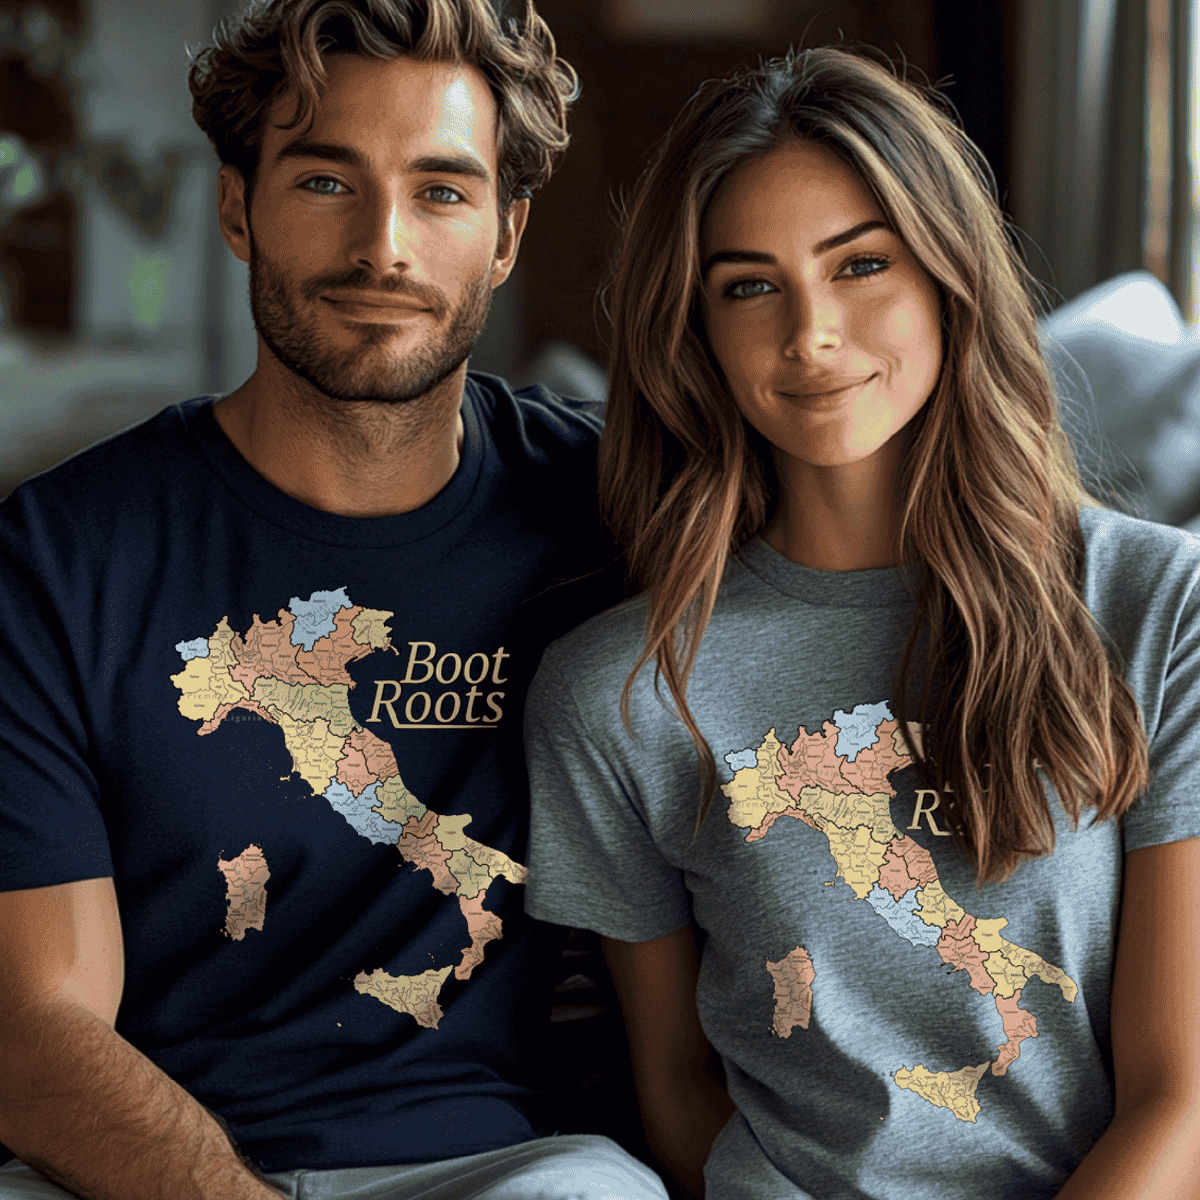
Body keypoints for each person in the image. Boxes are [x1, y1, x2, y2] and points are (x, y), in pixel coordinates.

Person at [0, 2, 668, 1198]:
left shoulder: (621, 516)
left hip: (507, 1165)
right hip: (127, 1173)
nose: (385, 247)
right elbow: (36, 1037)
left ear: (509, 233)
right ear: (234, 206)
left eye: (443, 191)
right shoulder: (54, 561)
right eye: (324, 182)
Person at [523, 46, 1200, 1200]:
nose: (812, 333)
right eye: (749, 285)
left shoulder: (1154, 605)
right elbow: (680, 1092)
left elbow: (1178, 1098)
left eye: (862, 265)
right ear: (697, 335)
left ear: (949, 277)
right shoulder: (617, 693)